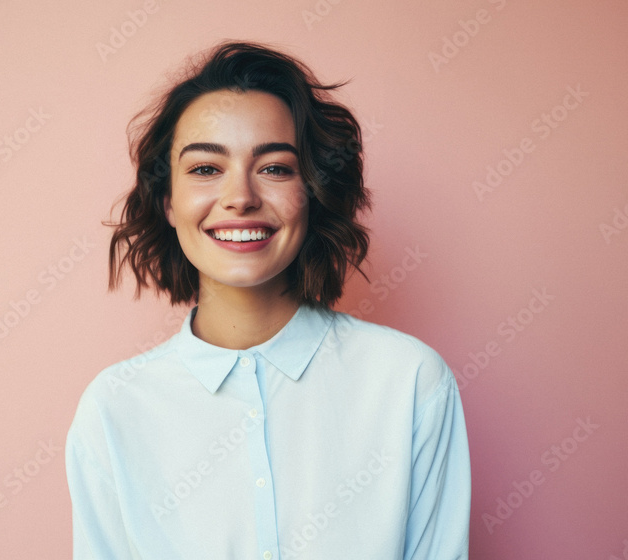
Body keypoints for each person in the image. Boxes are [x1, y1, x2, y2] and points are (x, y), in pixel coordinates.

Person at [66, 40, 471, 559]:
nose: (240, 197)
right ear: (169, 201)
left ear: (313, 191)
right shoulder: (113, 409)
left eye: (275, 168)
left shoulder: (410, 381)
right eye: (206, 169)